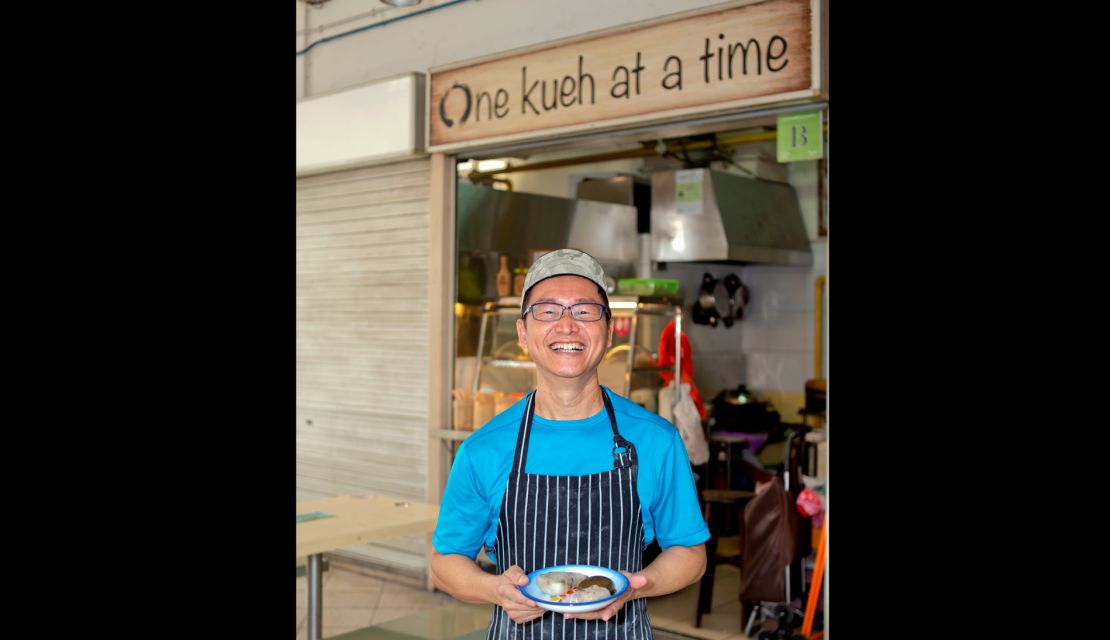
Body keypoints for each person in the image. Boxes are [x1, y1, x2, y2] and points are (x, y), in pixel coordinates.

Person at [431, 248, 709, 639]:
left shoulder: (656, 440)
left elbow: (690, 554)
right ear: (523, 333)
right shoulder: (483, 449)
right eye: (547, 310)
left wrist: (635, 587)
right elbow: (444, 562)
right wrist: (491, 588)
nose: (567, 326)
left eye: (584, 310)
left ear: (609, 331)